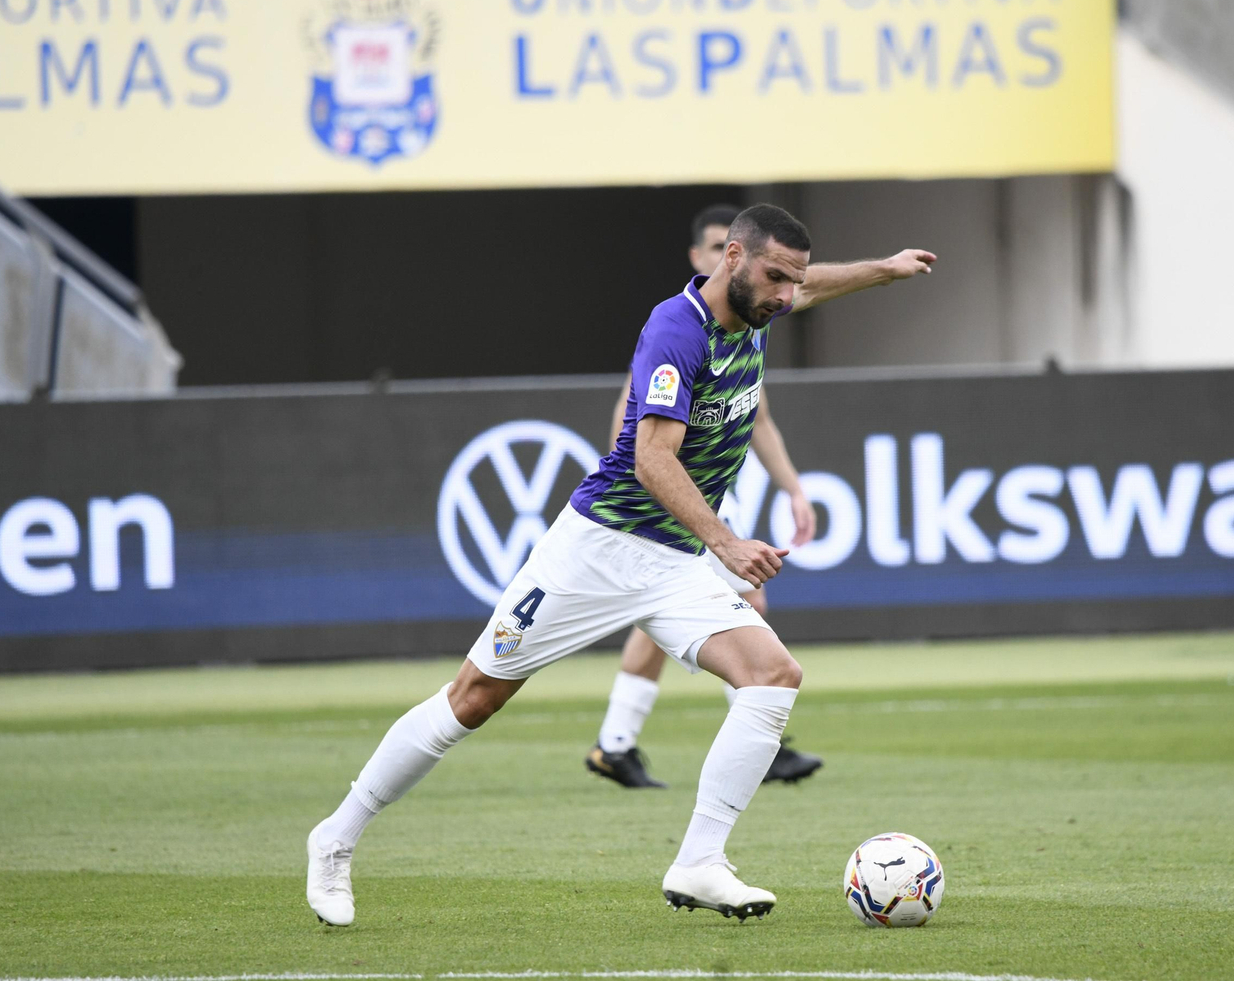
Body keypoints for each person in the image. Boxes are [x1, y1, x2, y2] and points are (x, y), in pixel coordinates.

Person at [306, 205, 936, 925]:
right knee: (472, 699)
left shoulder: (759, 302)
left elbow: (812, 283)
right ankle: (336, 837)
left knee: (773, 675)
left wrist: (884, 271)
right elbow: (650, 458)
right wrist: (727, 542)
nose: (788, 296)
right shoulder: (677, 331)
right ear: (730, 257)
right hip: (597, 548)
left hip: (673, 561)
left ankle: (700, 860)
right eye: (775, 277)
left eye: (793, 281)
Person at [586, 203, 822, 789]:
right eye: (715, 248)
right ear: (705, 258)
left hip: (713, 496)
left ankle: (617, 742)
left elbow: (759, 417)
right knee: (732, 611)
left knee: (675, 615)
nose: (723, 256)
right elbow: (635, 427)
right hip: (674, 497)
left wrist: (793, 487)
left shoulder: (753, 323)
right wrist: (652, 488)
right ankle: (757, 738)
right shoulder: (679, 329)